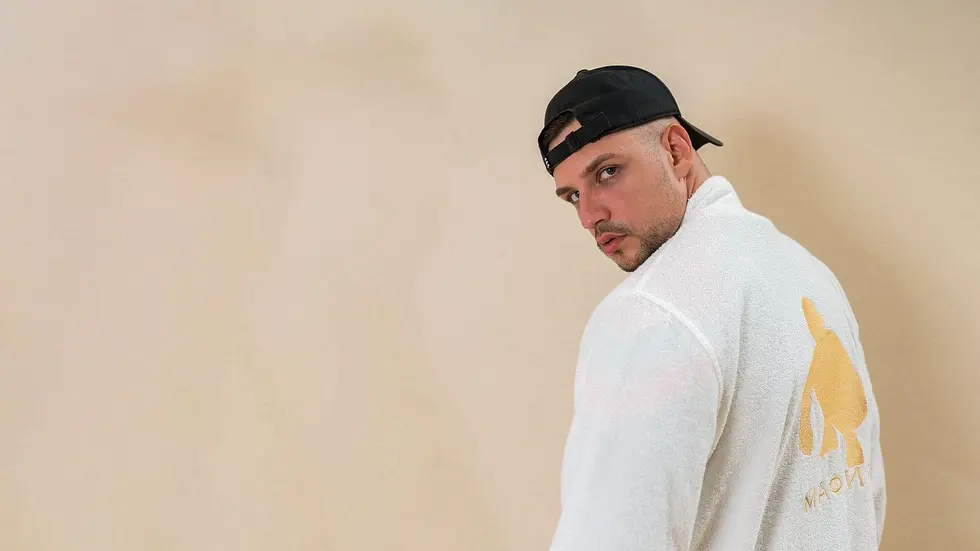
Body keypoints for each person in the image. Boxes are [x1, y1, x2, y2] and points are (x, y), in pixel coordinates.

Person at [535, 65, 886, 550]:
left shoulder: (650, 314)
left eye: (607, 172)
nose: (589, 215)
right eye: (573, 195)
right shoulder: (810, 276)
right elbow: (865, 497)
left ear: (676, 151)